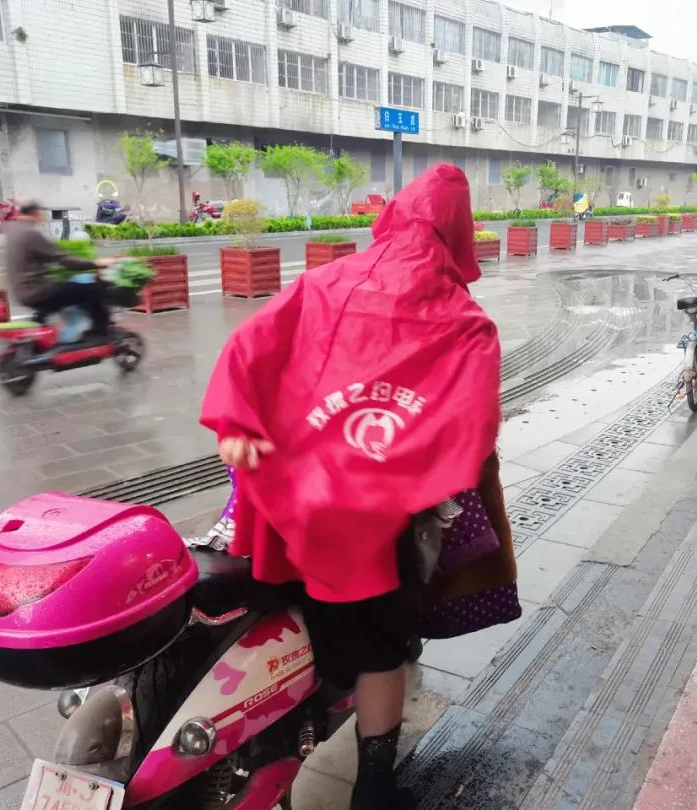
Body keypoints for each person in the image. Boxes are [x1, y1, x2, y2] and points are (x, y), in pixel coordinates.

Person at [201, 164, 502, 810]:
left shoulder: (324, 281)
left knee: (287, 609)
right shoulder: (463, 319)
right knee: (380, 654)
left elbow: (248, 342)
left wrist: (237, 423)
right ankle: (373, 785)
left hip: (285, 500)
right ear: (458, 233)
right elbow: (469, 430)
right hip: (366, 521)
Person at [4, 202, 115, 337]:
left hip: (22, 292)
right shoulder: (31, 234)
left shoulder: (14, 231)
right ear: (36, 214)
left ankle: (40, 322)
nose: (44, 217)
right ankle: (100, 333)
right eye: (43, 214)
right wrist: (96, 263)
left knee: (62, 293)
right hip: (37, 290)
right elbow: (64, 260)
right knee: (91, 291)